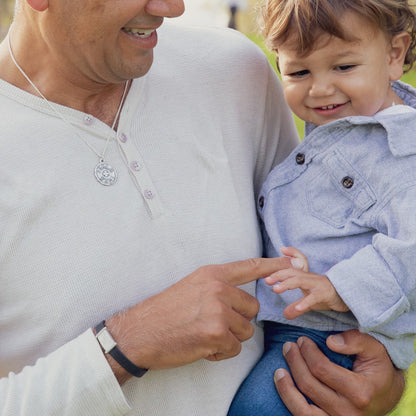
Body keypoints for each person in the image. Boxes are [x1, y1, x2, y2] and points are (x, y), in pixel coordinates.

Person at [0, 0, 405, 415]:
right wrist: (126, 345)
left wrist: (378, 381)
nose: (171, 8)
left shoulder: (233, 70)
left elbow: (345, 246)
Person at [228, 0, 416, 415]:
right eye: (299, 72)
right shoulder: (345, 127)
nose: (320, 88)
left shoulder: (402, 153)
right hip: (298, 325)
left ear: (394, 55)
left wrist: (337, 287)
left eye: (344, 67)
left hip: (335, 335)